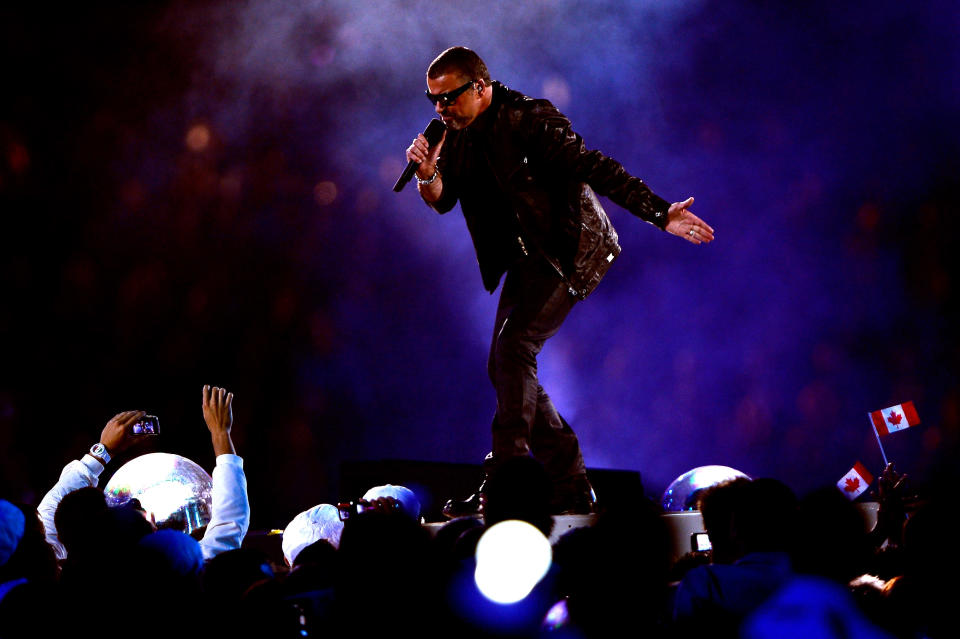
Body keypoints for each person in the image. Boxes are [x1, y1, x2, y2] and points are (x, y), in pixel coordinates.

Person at [405, 46, 715, 516]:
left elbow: (593, 166)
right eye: (434, 101)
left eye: (449, 98)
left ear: (481, 87)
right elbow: (443, 200)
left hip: (569, 250)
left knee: (513, 352)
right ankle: (569, 484)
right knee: (505, 364)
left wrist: (658, 212)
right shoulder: (459, 135)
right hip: (524, 259)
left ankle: (506, 481)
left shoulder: (530, 119)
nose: (440, 110)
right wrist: (427, 175)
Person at [37, 385, 249, 563]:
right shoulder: (173, 572)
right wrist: (221, 434)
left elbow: (51, 512)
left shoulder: (56, 574)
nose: (134, 502)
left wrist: (102, 452)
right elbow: (229, 525)